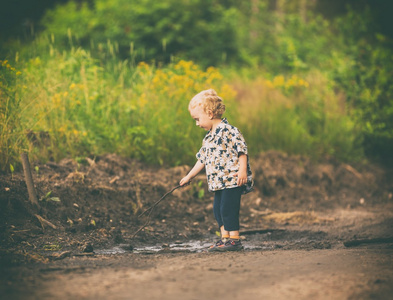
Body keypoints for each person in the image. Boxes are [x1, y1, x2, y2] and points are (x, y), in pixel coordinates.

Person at [180, 89, 253, 252]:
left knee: (228, 209)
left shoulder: (229, 131)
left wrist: (242, 171)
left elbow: (242, 151)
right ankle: (224, 239)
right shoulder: (208, 138)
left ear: (210, 113)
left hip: (232, 180)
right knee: (218, 210)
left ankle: (234, 240)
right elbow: (202, 160)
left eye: (197, 119)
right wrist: (189, 176)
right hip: (218, 183)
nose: (197, 124)